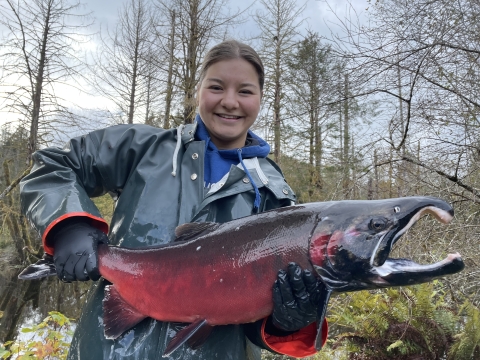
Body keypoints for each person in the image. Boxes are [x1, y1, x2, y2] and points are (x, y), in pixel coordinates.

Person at [20, 39, 328, 360]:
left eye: (246, 91)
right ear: (198, 90)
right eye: (216, 87)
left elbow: (260, 324)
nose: (230, 101)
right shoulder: (144, 148)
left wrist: (287, 321)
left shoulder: (275, 196)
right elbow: (53, 166)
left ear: (262, 99)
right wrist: (70, 225)